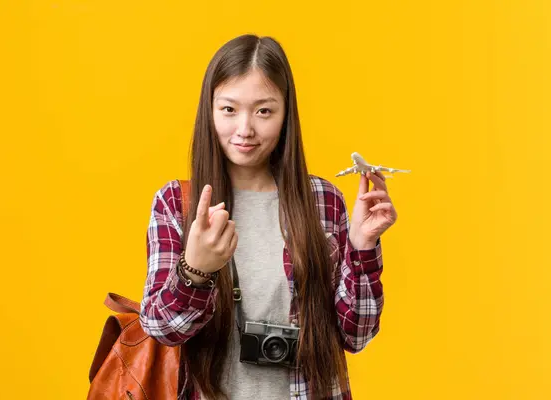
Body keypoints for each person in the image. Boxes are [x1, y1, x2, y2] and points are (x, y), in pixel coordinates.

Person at [140, 34, 397, 400]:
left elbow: (356, 334)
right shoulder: (179, 203)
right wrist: (195, 271)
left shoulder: (322, 201)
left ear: (285, 114)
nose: (245, 129)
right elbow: (161, 329)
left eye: (263, 111)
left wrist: (363, 246)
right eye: (229, 109)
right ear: (209, 111)